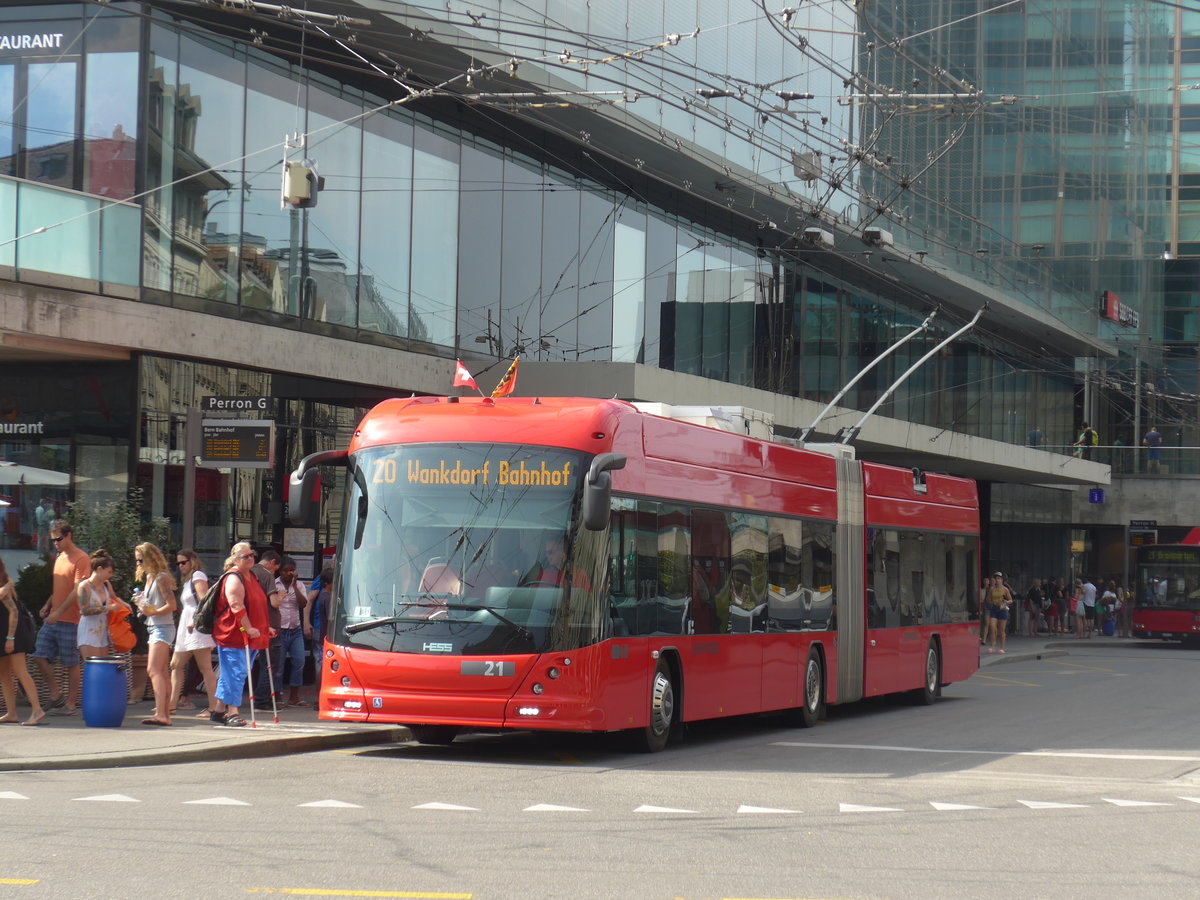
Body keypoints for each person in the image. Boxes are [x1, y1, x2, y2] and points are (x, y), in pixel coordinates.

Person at [30, 519, 91, 714]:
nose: (56, 543)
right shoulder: (60, 557)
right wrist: (48, 605)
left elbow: (76, 591)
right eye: (53, 540)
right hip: (54, 617)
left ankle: (71, 703)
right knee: (38, 655)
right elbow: (59, 588)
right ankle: (56, 694)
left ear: (69, 535)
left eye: (59, 539)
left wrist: (58, 611)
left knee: (71, 662)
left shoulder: (81, 558)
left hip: (71, 620)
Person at [211, 541, 269, 727]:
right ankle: (232, 712)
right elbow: (237, 606)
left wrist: (264, 627)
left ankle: (219, 710)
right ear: (235, 559)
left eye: (252, 555)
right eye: (246, 556)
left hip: (251, 634)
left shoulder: (251, 575)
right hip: (235, 634)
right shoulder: (234, 577)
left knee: (235, 672)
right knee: (236, 672)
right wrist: (248, 628)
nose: (251, 558)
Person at [49, 549, 124, 661]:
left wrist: (126, 605)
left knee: (103, 667)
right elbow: (84, 610)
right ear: (99, 569)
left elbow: (115, 598)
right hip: (89, 632)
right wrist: (107, 608)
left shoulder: (106, 585)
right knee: (94, 666)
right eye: (109, 572)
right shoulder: (84, 586)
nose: (110, 576)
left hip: (102, 632)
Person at [133, 543, 177, 726]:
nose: (139, 564)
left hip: (162, 626)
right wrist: (142, 604)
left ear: (151, 558)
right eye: (137, 560)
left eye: (141, 560)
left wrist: (153, 612)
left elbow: (172, 605)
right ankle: (164, 714)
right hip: (156, 626)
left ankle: (161, 713)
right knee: (162, 673)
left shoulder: (160, 578)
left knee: (154, 670)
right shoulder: (151, 577)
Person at [170, 549, 217, 717]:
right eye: (178, 563)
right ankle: (171, 705)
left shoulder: (198, 575)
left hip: (196, 626)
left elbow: (204, 600)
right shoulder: (188, 580)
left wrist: (195, 621)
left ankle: (213, 708)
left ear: (192, 561)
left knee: (205, 667)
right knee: (176, 664)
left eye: (183, 562)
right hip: (186, 626)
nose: (180, 566)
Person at [0, 557, 45, 725]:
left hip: (13, 634)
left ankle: (37, 710)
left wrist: (10, 638)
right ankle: (11, 713)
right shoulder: (5, 586)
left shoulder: (5, 588)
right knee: (4, 674)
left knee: (20, 671)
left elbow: (14, 613)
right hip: (4, 635)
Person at [251, 549, 283, 710]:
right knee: (270, 664)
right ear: (272, 563)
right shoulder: (267, 575)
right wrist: (281, 596)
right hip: (270, 625)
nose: (275, 571)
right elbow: (274, 603)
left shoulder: (249, 572)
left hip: (252, 624)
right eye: (276, 567)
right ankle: (262, 700)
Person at [274, 557, 308, 708]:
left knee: (299, 661)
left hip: (296, 630)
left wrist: (294, 586)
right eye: (285, 570)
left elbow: (303, 604)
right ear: (280, 571)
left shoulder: (299, 585)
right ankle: (278, 696)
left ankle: (294, 696)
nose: (288, 573)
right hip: (280, 630)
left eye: (291, 570)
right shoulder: (274, 584)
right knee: (279, 666)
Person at [304, 564, 334, 696]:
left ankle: (320, 695)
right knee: (322, 665)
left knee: (321, 663)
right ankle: (320, 695)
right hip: (322, 632)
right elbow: (309, 600)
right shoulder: (327, 596)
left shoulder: (324, 594)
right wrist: (306, 622)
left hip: (320, 630)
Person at [986, 572, 1012, 654]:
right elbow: (988, 599)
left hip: (1002, 609)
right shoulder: (992, 589)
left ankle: (1002, 647)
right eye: (996, 579)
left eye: (999, 579)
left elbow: (1011, 600)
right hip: (994, 608)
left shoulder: (1005, 589)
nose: (997, 580)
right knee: (992, 627)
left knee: (1001, 630)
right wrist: (992, 602)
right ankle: (993, 646)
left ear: (1002, 580)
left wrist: (1006, 601)